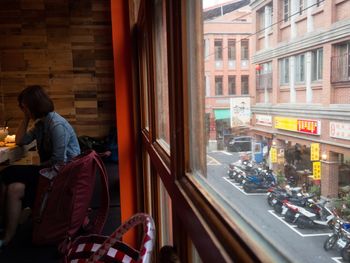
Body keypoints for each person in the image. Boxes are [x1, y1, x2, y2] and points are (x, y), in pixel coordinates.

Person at [0, 85, 81, 248]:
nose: (24, 109)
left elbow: (58, 162)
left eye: (24, 107)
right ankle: (7, 234)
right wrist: (25, 118)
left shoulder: (56, 125)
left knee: (7, 173)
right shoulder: (41, 124)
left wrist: (35, 169)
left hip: (60, 177)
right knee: (14, 188)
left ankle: (3, 225)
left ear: (33, 105)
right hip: (49, 173)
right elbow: (20, 141)